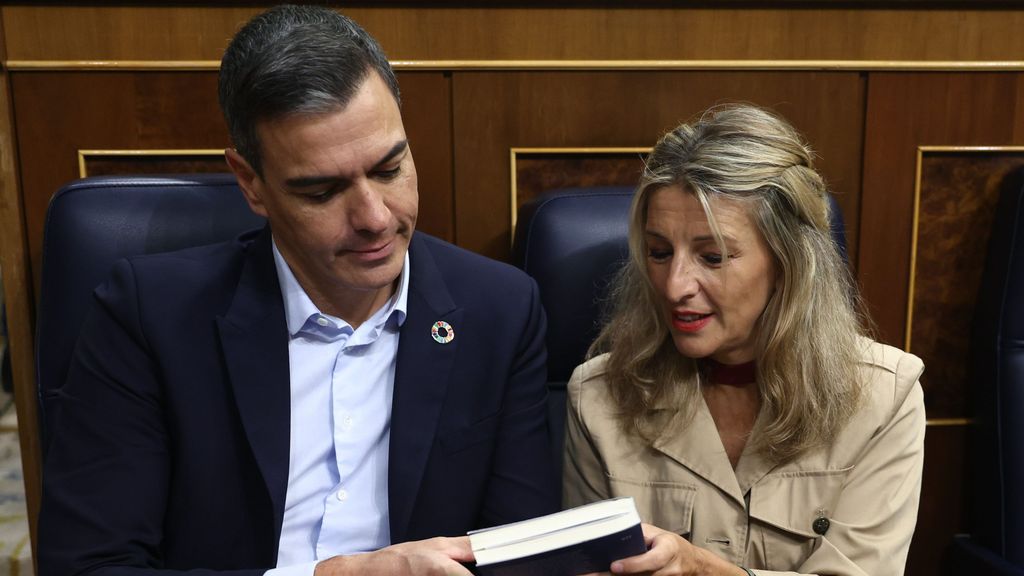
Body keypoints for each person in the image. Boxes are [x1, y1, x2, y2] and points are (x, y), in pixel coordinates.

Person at [38, 5, 558, 576]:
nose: (375, 218)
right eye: (322, 191)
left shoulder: (501, 311)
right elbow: (89, 565)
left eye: (389, 169)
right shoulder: (148, 317)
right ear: (251, 184)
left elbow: (522, 555)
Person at [563, 104, 925, 576]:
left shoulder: (885, 397)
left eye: (712, 257)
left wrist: (702, 570)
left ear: (788, 261)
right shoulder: (596, 397)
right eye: (658, 252)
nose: (675, 286)